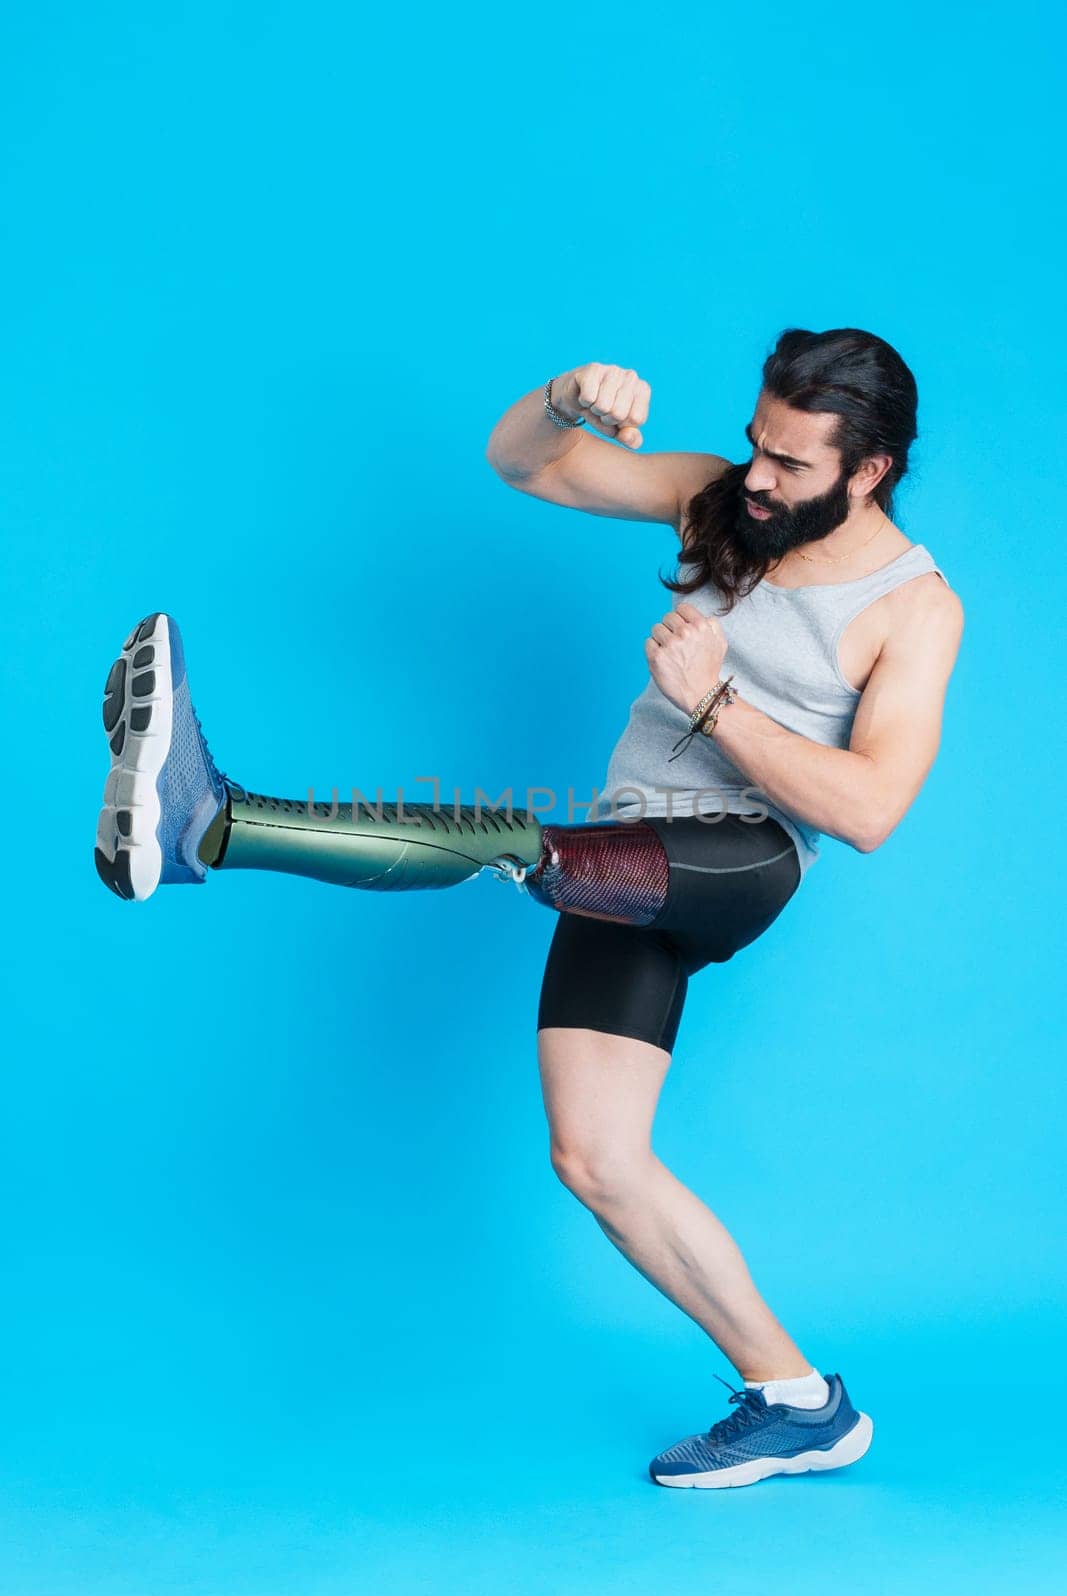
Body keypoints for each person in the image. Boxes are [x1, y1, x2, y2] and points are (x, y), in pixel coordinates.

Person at [94, 327, 964, 1490]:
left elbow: (867, 809)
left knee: (517, 846)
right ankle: (798, 1400)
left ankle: (209, 821)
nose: (757, 476)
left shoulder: (913, 606)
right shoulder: (719, 501)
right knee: (597, 1158)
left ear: (867, 471)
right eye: (755, 443)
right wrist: (560, 397)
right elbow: (529, 465)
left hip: (738, 860)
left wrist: (715, 710)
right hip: (622, 852)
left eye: (790, 464)